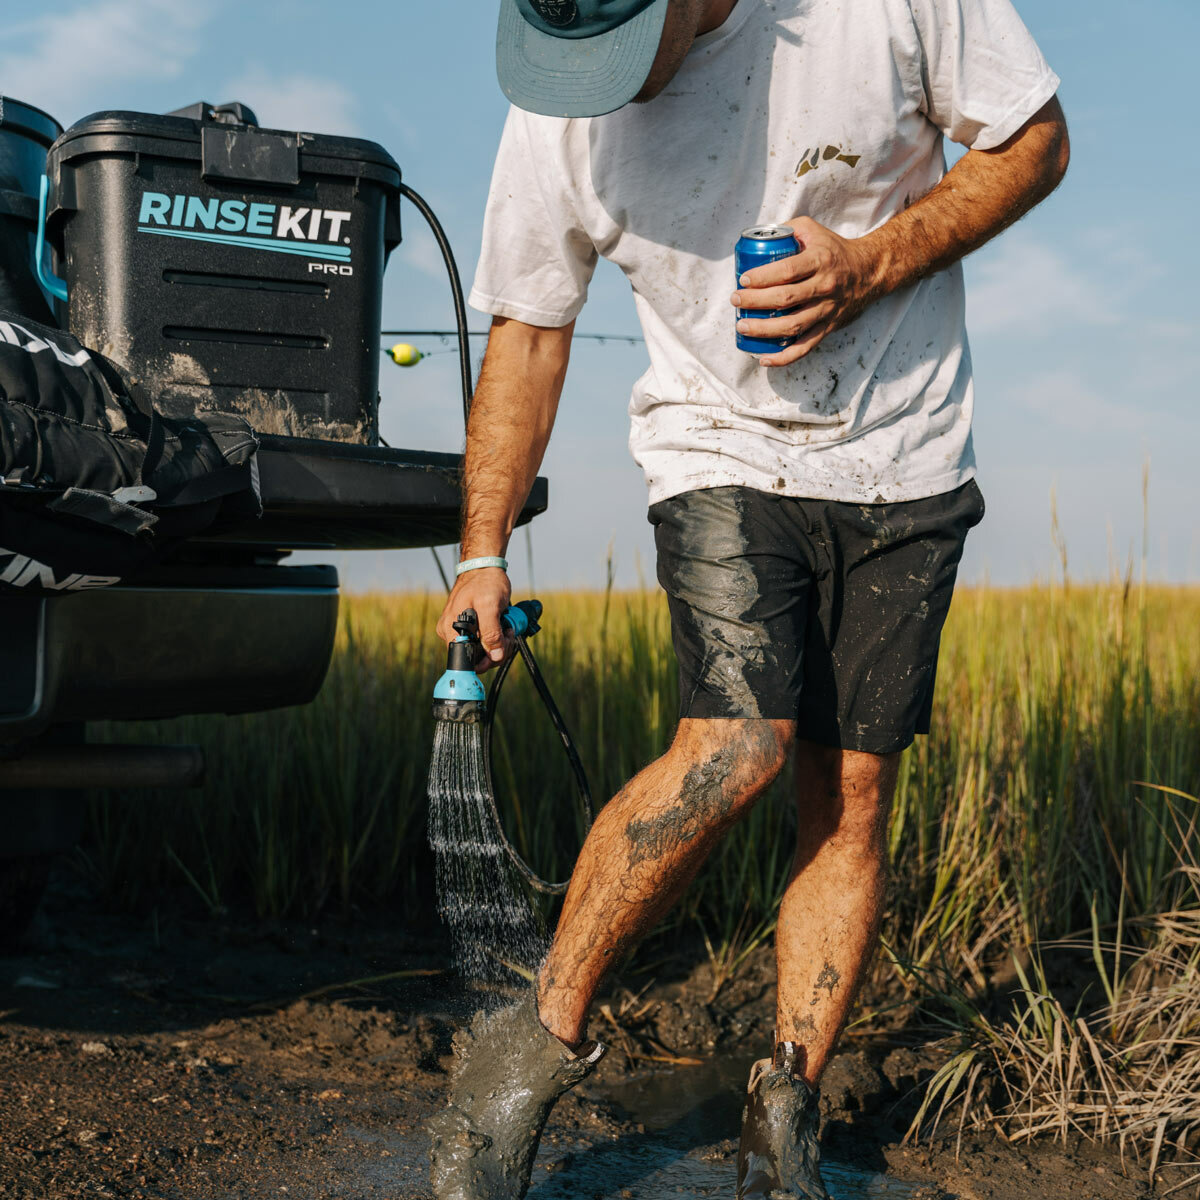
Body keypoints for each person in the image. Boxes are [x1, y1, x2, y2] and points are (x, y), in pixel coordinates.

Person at [428, 0, 1068, 1196]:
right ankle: (533, 1050)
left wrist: (871, 262)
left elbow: (1035, 138)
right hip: (714, 447)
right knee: (737, 745)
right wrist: (481, 552)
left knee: (853, 789)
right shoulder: (558, 110)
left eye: (624, 53)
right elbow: (528, 333)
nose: (600, 91)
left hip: (905, 455)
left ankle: (785, 1106)